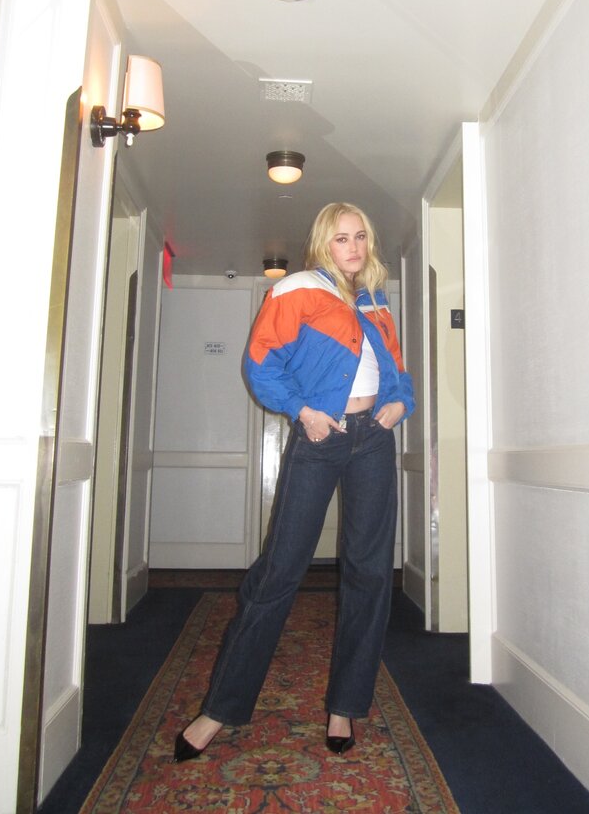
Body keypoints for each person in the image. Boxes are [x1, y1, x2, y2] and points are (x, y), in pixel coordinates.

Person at [174, 201, 415, 762]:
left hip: (374, 439)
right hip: (320, 438)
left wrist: (400, 404)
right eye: (341, 238)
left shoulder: (375, 298)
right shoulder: (298, 289)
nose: (353, 247)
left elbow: (396, 370)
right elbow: (261, 364)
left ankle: (345, 705)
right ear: (323, 243)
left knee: (369, 572)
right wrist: (304, 412)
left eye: (360, 236)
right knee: (280, 569)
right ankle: (220, 707)